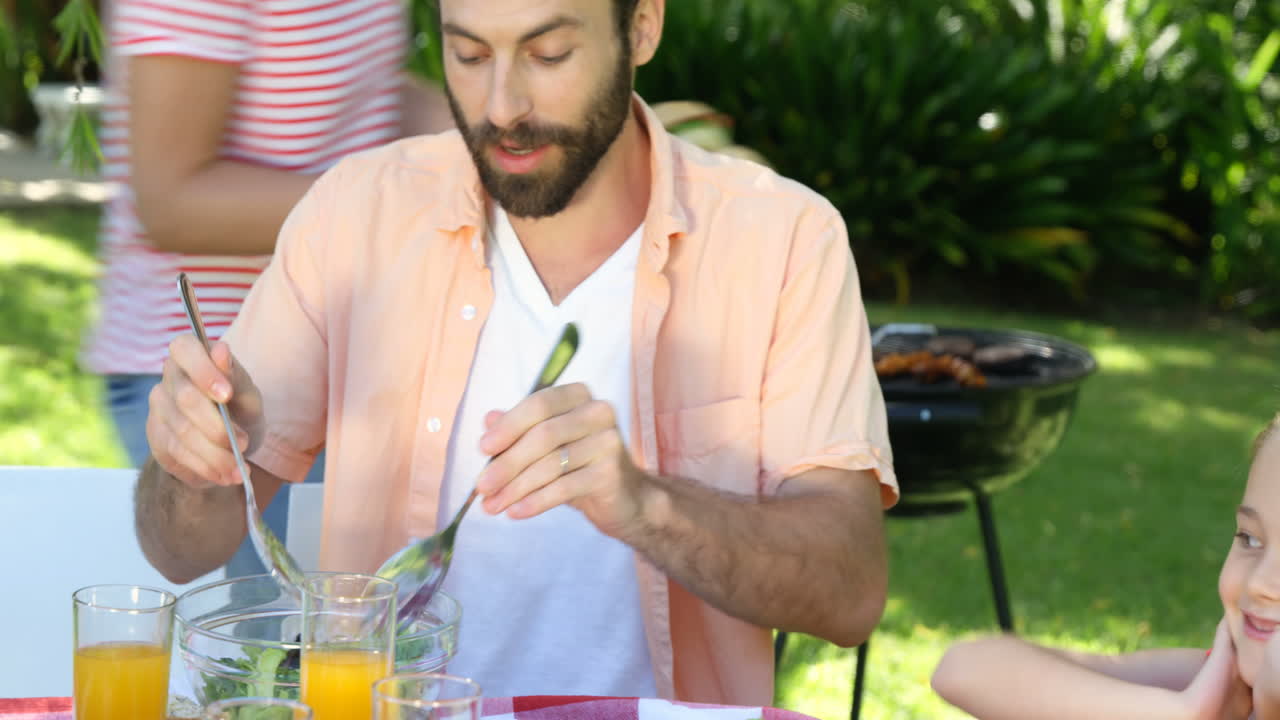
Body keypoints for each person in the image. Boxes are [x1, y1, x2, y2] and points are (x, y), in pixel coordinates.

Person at [133, 0, 897, 705]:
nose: (503, 107)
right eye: (468, 55)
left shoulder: (782, 241)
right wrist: (191, 465)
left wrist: (646, 504)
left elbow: (850, 591)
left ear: (642, 26)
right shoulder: (358, 215)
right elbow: (177, 547)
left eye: (550, 53)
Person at [83, 0, 452, 577]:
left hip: (347, 362)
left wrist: (482, 134)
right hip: (222, 381)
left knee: (363, 640)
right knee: (276, 656)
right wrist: (393, 195)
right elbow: (172, 200)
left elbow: (368, 97)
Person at [930, 413, 1280, 720]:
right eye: (1250, 539)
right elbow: (964, 669)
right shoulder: (1223, 688)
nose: (1259, 583)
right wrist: (1183, 712)